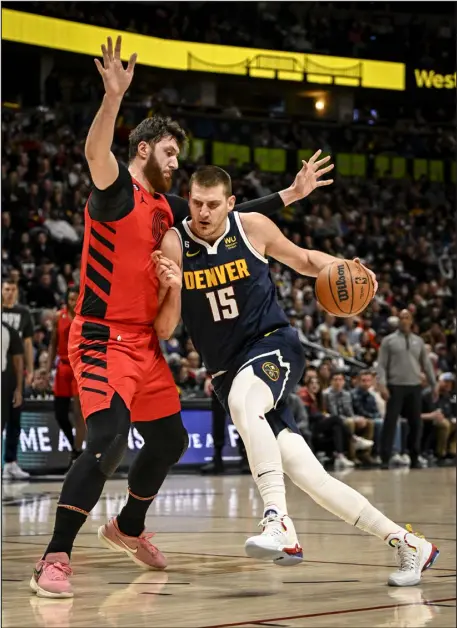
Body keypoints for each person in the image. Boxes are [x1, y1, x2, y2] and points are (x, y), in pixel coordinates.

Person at [30, 36, 331, 599]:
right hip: (99, 338)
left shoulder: (168, 208)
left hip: (145, 344)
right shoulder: (115, 191)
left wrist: (288, 196)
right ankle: (54, 556)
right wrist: (113, 98)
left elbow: (225, 214)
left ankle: (128, 527)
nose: (177, 163)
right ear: (144, 150)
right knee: (107, 442)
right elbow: (98, 153)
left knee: (167, 441)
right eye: (170, 154)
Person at [154, 165, 438, 587]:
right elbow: (166, 329)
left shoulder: (252, 227)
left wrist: (344, 266)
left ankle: (278, 521)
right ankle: (407, 543)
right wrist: (173, 287)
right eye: (196, 202)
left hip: (273, 345)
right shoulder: (176, 242)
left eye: (213, 204)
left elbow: (305, 260)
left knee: (245, 402)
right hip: (227, 371)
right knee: (310, 476)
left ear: (230, 204)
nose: (203, 211)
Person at [378, 309, 438, 469]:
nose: (404, 320)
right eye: (401, 317)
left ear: (411, 321)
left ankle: (414, 455)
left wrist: (434, 384)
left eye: (407, 318)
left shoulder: (418, 341)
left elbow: (426, 365)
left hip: (414, 386)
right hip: (395, 386)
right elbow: (382, 365)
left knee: (416, 423)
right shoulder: (388, 341)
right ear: (398, 321)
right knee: (390, 422)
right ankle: (385, 457)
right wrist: (382, 385)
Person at [45, 288, 85, 465]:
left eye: (76, 299)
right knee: (60, 413)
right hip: (62, 367)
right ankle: (75, 448)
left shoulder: (85, 318)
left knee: (78, 414)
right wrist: (47, 369)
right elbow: (53, 344)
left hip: (79, 368)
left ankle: (76, 454)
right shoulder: (58, 317)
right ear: (66, 300)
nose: (73, 302)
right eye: (70, 299)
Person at [2, 279, 33, 480]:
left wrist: (29, 370)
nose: (10, 293)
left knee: (14, 418)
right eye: (6, 289)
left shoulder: (23, 313)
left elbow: (28, 343)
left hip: (13, 369)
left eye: (13, 289)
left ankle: (11, 463)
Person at [324, 371, 375, 463]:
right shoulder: (326, 394)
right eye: (335, 380)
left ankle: (365, 454)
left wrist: (357, 419)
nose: (338, 382)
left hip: (346, 418)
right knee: (350, 422)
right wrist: (352, 419)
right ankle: (352, 456)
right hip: (333, 421)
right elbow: (334, 414)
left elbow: (350, 412)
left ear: (344, 382)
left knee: (369, 422)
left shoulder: (346, 394)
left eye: (340, 380)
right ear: (330, 382)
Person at [1, 321, 25, 480]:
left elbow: (18, 361)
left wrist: (18, 388)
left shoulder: (8, 331)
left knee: (6, 422)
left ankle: (9, 463)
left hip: (4, 379)